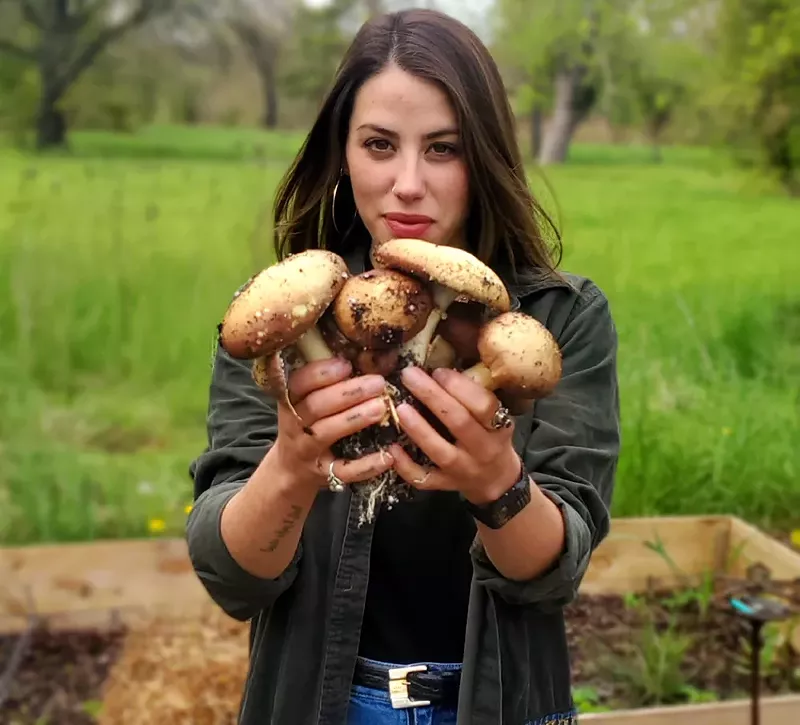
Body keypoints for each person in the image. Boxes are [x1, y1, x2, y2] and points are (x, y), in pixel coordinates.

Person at [187, 8, 620, 725]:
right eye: (380, 144)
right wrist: (292, 464)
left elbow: (555, 574)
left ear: (484, 154)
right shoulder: (286, 322)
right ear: (343, 152)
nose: (408, 183)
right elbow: (234, 579)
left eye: (444, 148)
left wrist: (497, 483)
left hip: (501, 704)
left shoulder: (558, 317)